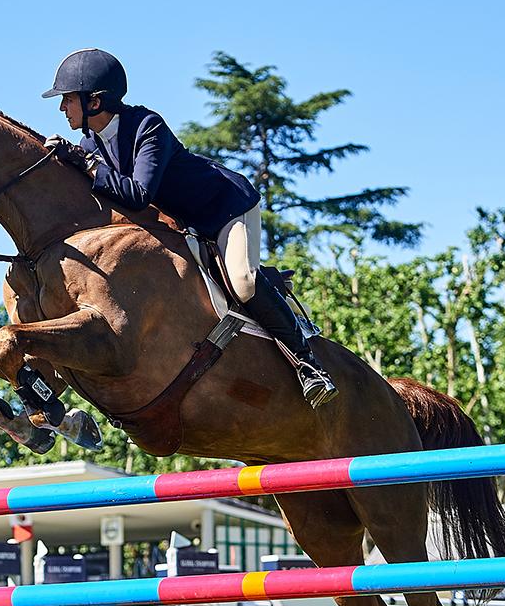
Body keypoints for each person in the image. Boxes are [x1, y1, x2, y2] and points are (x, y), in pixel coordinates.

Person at [41, 49, 337, 408]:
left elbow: (137, 194)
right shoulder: (91, 143)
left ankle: (308, 363)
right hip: (185, 224)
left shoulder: (147, 127)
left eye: (68, 99)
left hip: (225, 208)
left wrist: (86, 164)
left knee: (242, 281)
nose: (62, 109)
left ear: (95, 101)